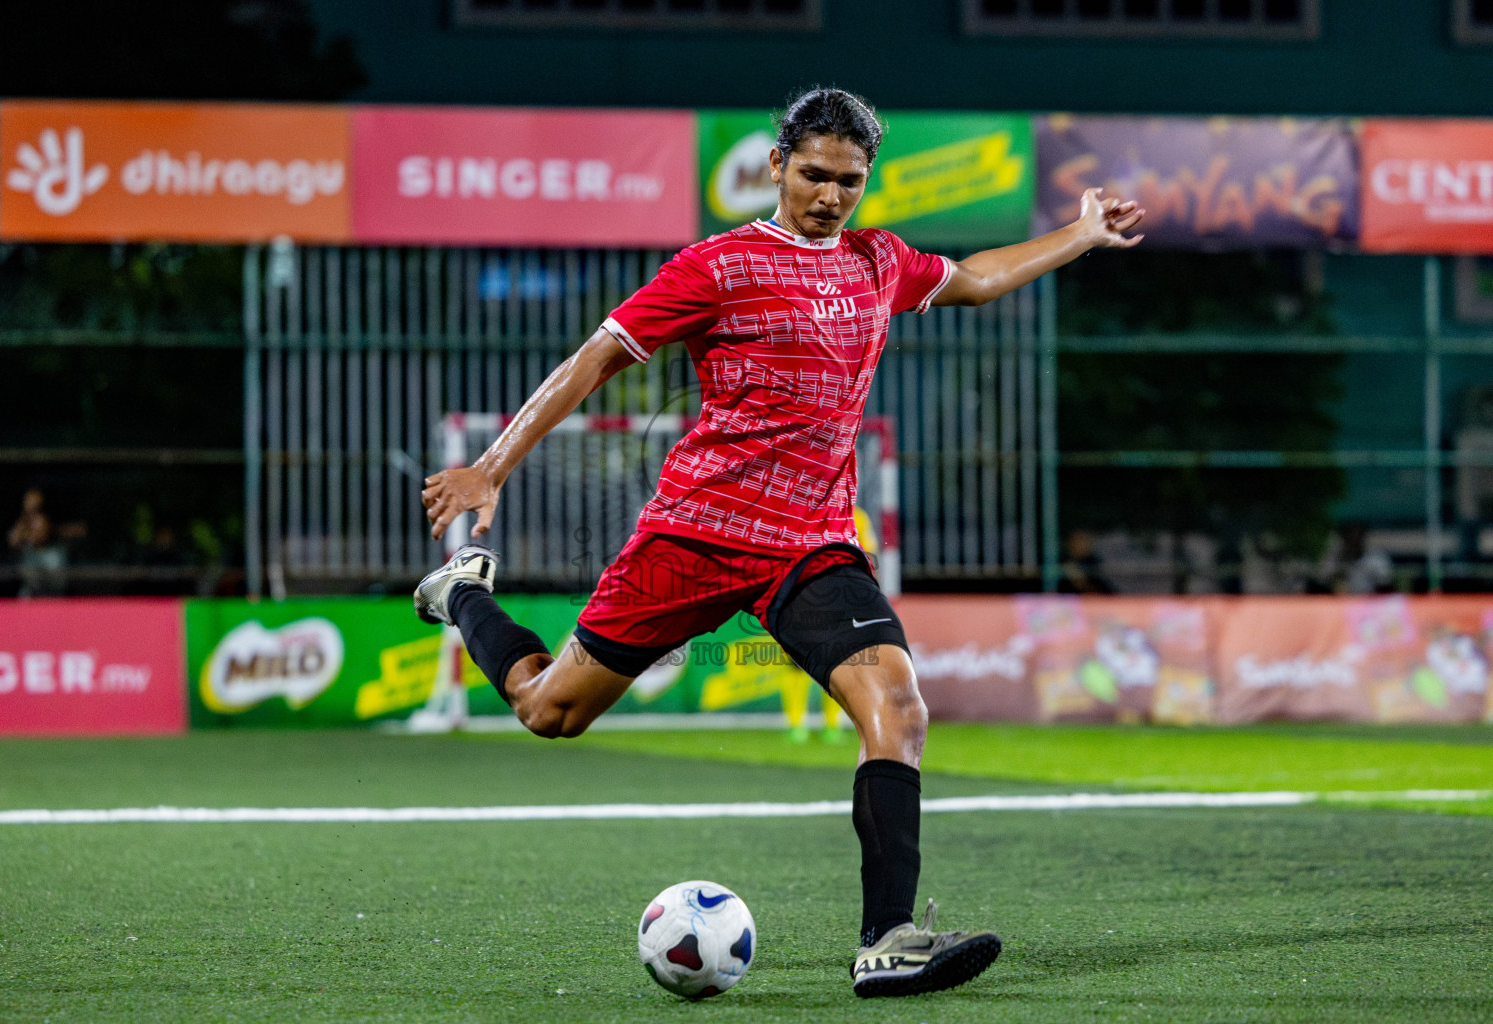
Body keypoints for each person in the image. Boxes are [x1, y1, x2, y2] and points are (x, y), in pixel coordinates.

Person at [415, 88, 1143, 998]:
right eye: (814, 174)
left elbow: (979, 277)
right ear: (776, 166)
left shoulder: (879, 261)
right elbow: (595, 358)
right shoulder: (717, 266)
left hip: (811, 544)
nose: (832, 195)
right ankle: (463, 595)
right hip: (696, 532)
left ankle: (887, 940)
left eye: (850, 179)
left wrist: (1079, 234)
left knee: (899, 708)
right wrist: (492, 465)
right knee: (549, 711)